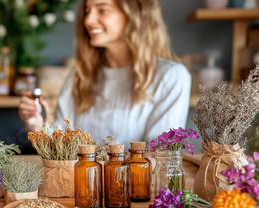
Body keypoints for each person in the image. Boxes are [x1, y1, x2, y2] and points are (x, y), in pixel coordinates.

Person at [19, 0, 191, 144]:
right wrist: (37, 125)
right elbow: (61, 148)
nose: (88, 20)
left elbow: (161, 156)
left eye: (102, 10)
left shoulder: (171, 77)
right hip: (79, 183)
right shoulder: (79, 75)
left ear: (133, 15)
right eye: (87, 11)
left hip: (137, 185)